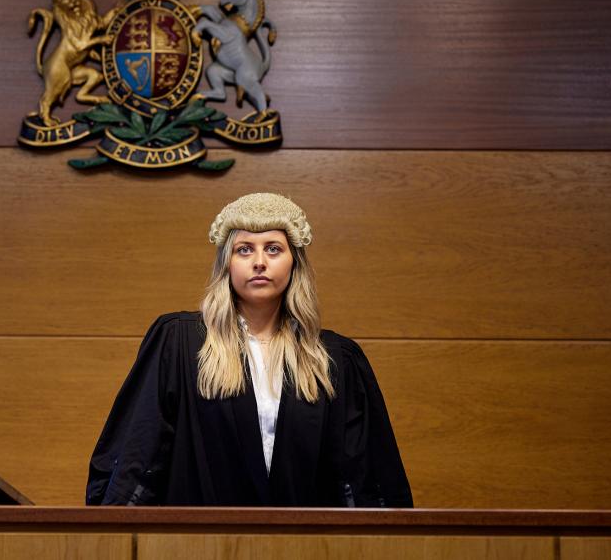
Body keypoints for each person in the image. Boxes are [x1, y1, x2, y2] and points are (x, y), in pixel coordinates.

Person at [85, 192, 412, 507]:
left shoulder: (334, 359)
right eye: (244, 249)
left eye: (273, 249)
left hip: (299, 548)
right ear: (226, 263)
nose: (258, 262)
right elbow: (139, 453)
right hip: (200, 546)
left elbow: (363, 477)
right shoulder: (181, 343)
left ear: (294, 263)